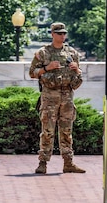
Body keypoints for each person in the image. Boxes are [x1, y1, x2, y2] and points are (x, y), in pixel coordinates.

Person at [28, 22, 85, 174]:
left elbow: (78, 78)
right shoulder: (43, 53)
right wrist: (47, 68)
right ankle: (43, 163)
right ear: (52, 34)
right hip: (49, 97)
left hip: (67, 97)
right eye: (59, 33)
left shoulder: (72, 53)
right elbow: (32, 72)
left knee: (67, 131)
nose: (62, 36)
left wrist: (77, 70)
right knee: (47, 131)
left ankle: (68, 163)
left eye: (63, 33)